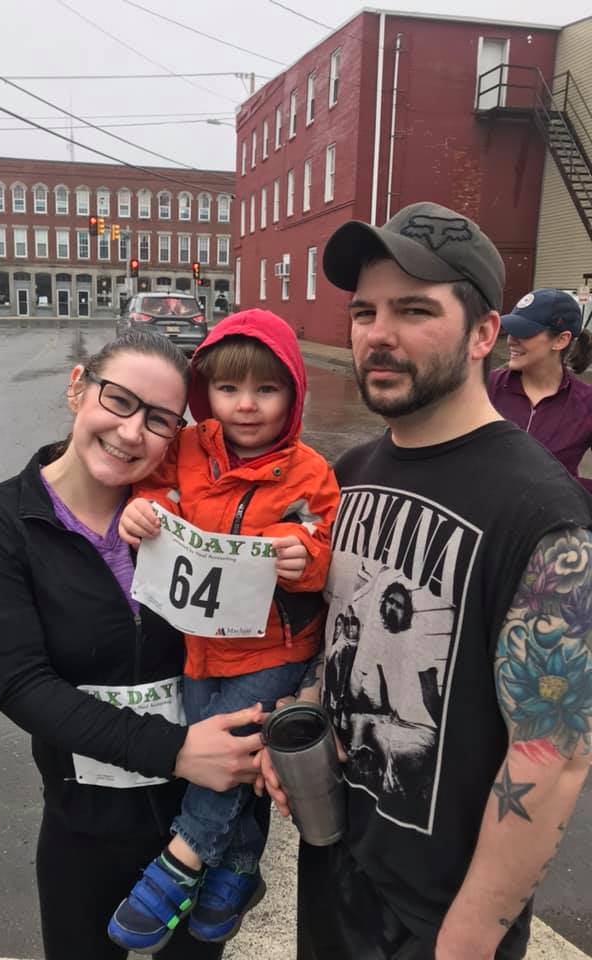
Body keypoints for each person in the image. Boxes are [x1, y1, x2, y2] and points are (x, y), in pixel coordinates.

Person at [259, 202, 592, 959]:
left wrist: (470, 937)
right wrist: (307, 715)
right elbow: (339, 639)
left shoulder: (542, 513)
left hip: (439, 920)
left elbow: (554, 753)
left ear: (484, 334)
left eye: (414, 309)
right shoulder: (352, 476)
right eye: (365, 310)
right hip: (337, 862)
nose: (379, 333)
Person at [0, 330, 267, 960]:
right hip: (83, 827)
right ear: (78, 388)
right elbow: (20, 684)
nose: (131, 433)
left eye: (159, 421)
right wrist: (175, 750)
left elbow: (256, 638)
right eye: (118, 401)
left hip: (199, 825)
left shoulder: (187, 520)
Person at [108, 309, 340, 953]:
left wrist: (300, 557)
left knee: (230, 754)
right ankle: (237, 868)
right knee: (221, 763)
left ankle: (181, 859)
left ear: (293, 395)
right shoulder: (185, 451)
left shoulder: (309, 472)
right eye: (229, 388)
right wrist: (143, 513)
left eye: (266, 390)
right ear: (205, 389)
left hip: (273, 649)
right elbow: (152, 493)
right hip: (198, 647)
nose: (245, 405)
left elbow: (319, 539)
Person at [488, 287, 592, 493]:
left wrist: (568, 493)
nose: (510, 340)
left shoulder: (586, 403)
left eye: (525, 332)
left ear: (561, 340)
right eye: (511, 330)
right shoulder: (485, 387)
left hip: (550, 522)